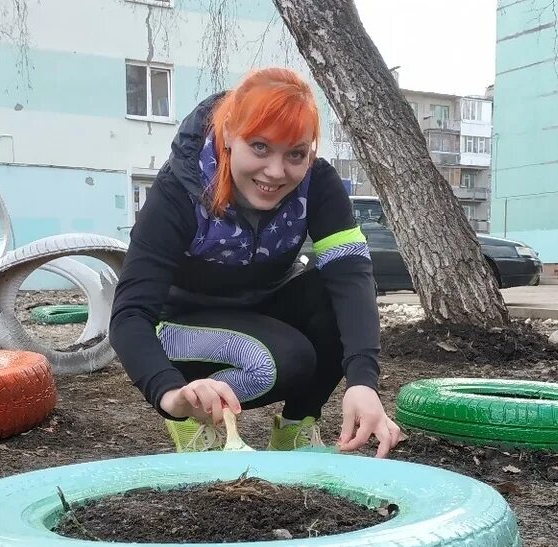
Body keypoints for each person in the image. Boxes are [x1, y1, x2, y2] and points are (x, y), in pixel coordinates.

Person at [109, 67, 402, 457]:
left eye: (295, 153)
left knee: (335, 295)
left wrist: (363, 382)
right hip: (180, 323)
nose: (276, 172)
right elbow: (129, 315)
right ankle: (199, 419)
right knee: (285, 359)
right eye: (260, 147)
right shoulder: (177, 192)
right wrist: (170, 393)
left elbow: (352, 277)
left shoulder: (318, 184)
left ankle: (295, 432)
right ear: (230, 133)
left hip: (262, 305)